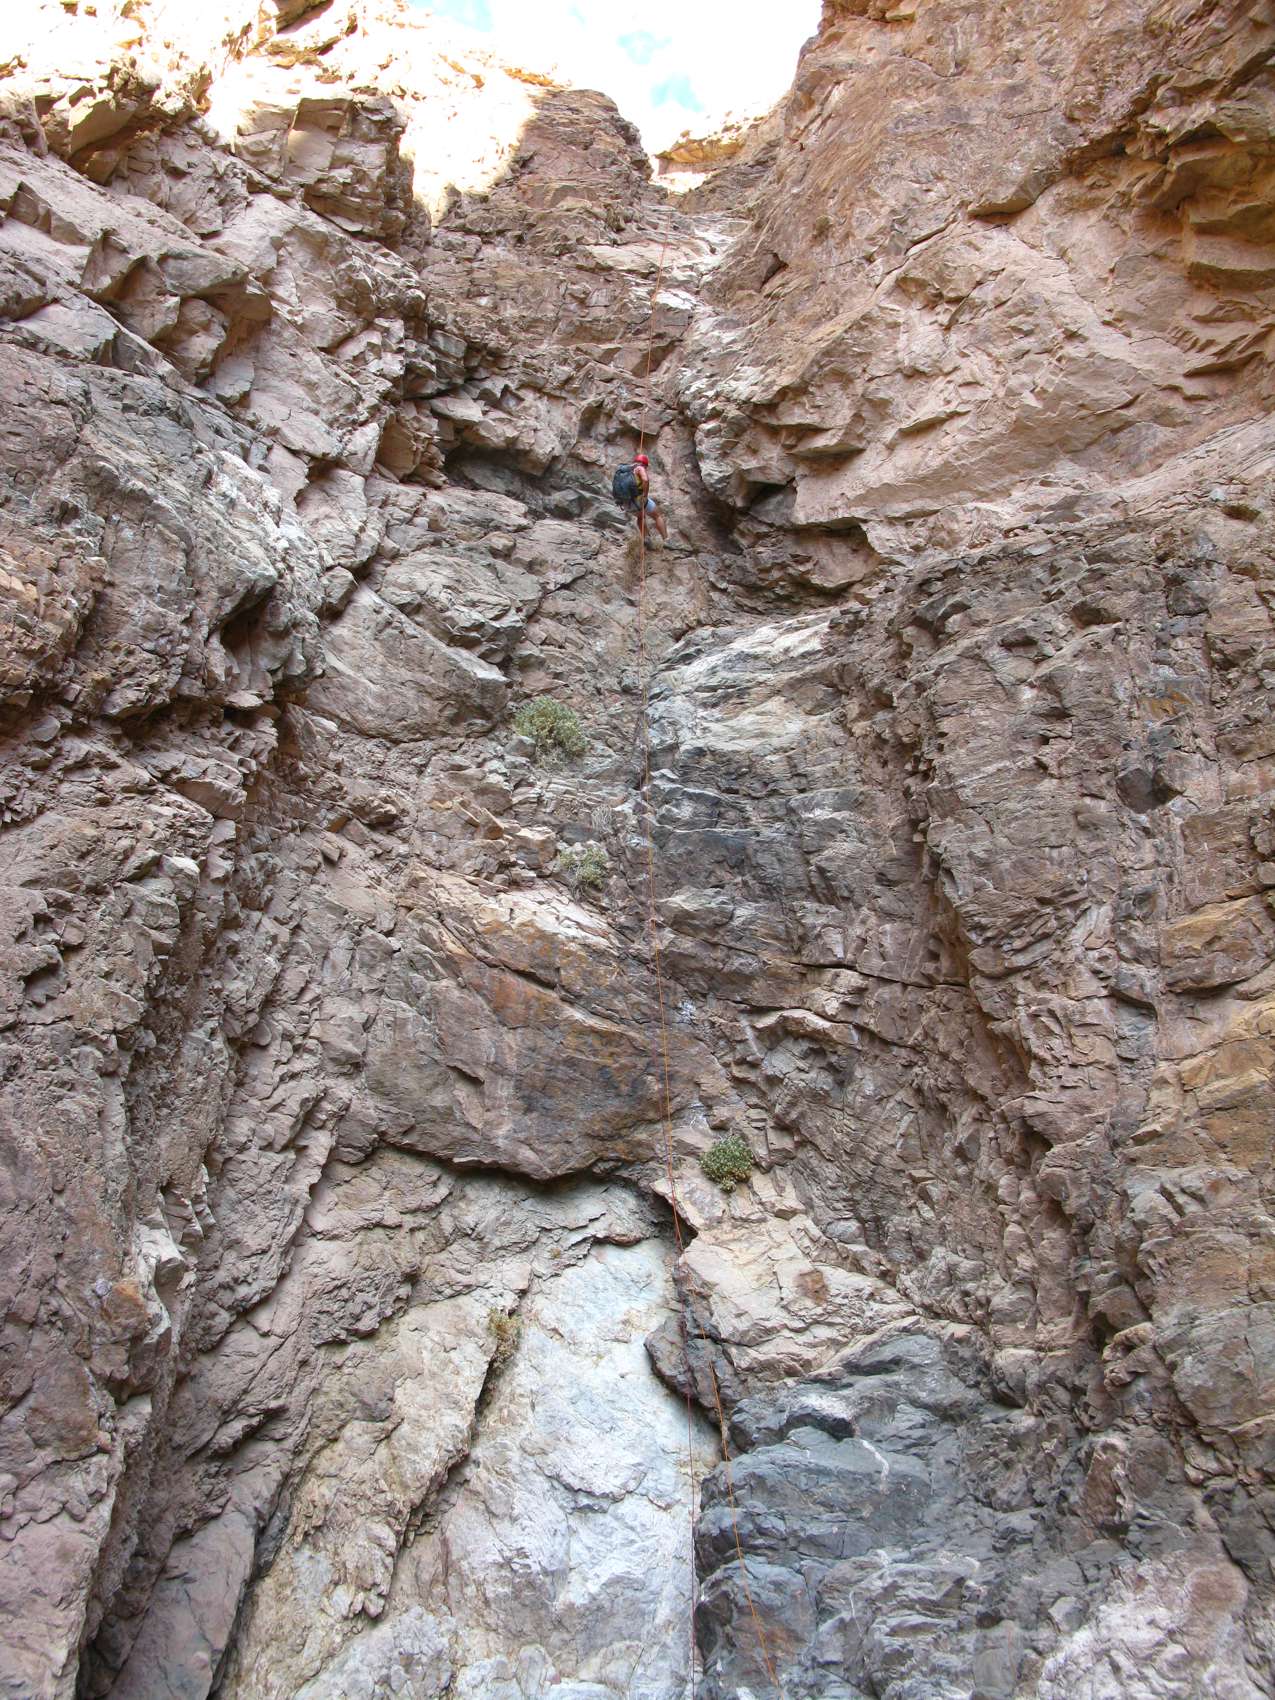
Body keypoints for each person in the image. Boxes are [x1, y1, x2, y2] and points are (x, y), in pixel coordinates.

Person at [612, 452, 669, 542]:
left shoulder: (627, 470)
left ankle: (647, 540)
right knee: (657, 515)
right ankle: (666, 540)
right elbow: (645, 480)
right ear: (645, 465)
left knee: (640, 517)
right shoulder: (640, 468)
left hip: (626, 504)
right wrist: (645, 495)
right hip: (637, 501)